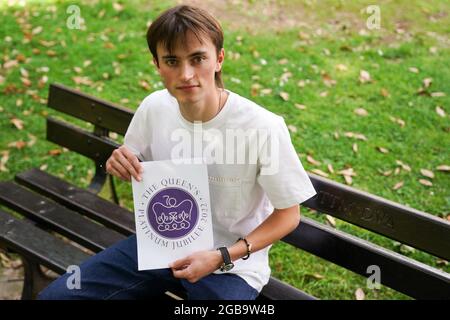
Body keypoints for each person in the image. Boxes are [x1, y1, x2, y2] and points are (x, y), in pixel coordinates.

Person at [38, 4, 316, 300]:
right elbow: (131, 159)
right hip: (160, 246)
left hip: (229, 267)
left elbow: (288, 215)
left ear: (219, 59)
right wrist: (119, 160)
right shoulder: (155, 107)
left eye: (198, 59)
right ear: (157, 64)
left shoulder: (263, 127)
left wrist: (221, 255)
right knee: (56, 298)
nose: (185, 74)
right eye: (172, 61)